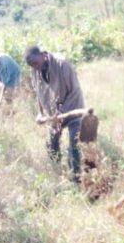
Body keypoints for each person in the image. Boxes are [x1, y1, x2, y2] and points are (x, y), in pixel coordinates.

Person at [24, 45, 85, 182]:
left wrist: (61, 113)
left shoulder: (62, 64)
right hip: (53, 115)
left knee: (74, 146)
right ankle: (57, 172)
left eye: (35, 63)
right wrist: (40, 113)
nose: (34, 67)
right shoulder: (34, 70)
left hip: (73, 110)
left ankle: (75, 180)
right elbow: (38, 93)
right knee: (51, 145)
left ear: (43, 54)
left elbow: (75, 91)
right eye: (31, 65)